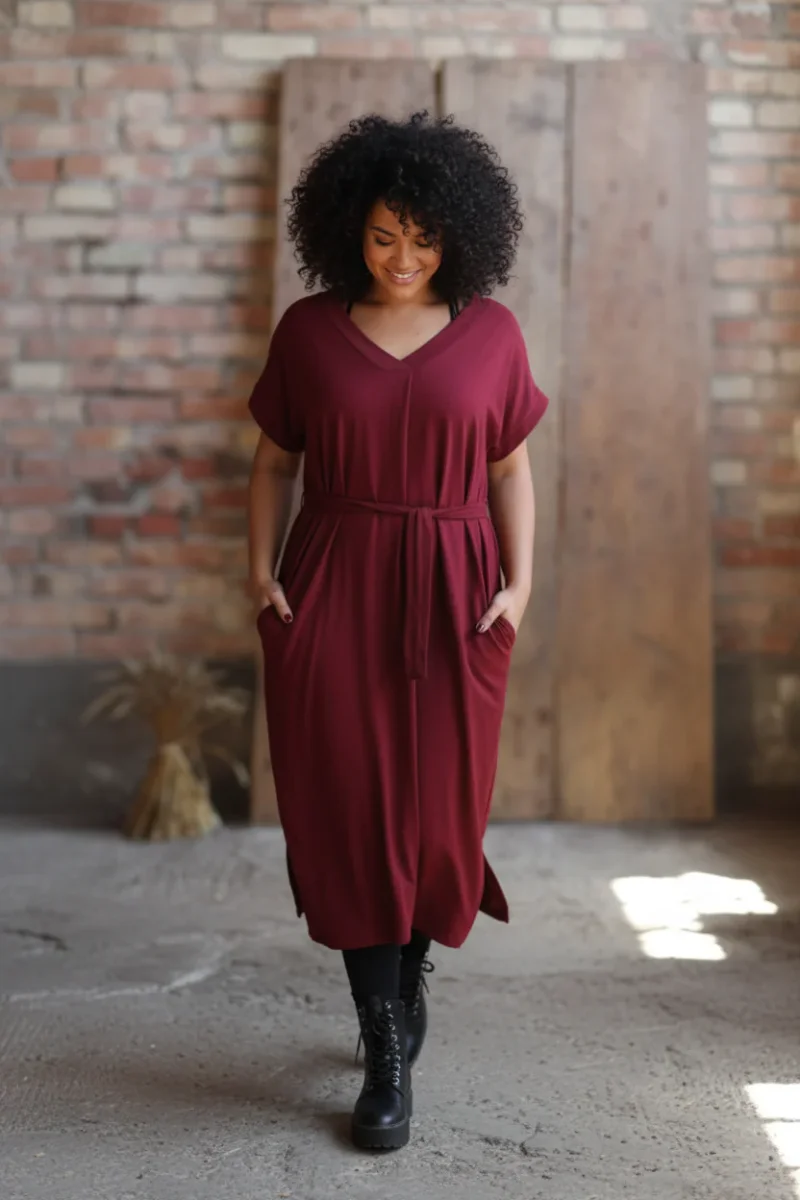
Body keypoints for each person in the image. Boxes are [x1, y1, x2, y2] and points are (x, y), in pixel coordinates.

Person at [247, 111, 548, 1151]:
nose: (403, 258)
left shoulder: (492, 334)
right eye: (382, 237)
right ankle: (382, 1042)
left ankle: (408, 975)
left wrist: (519, 587)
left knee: (437, 817)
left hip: (456, 591)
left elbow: (509, 469)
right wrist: (258, 571)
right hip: (333, 580)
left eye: (422, 238)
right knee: (347, 810)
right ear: (349, 230)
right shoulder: (307, 332)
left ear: (457, 234)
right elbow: (273, 463)